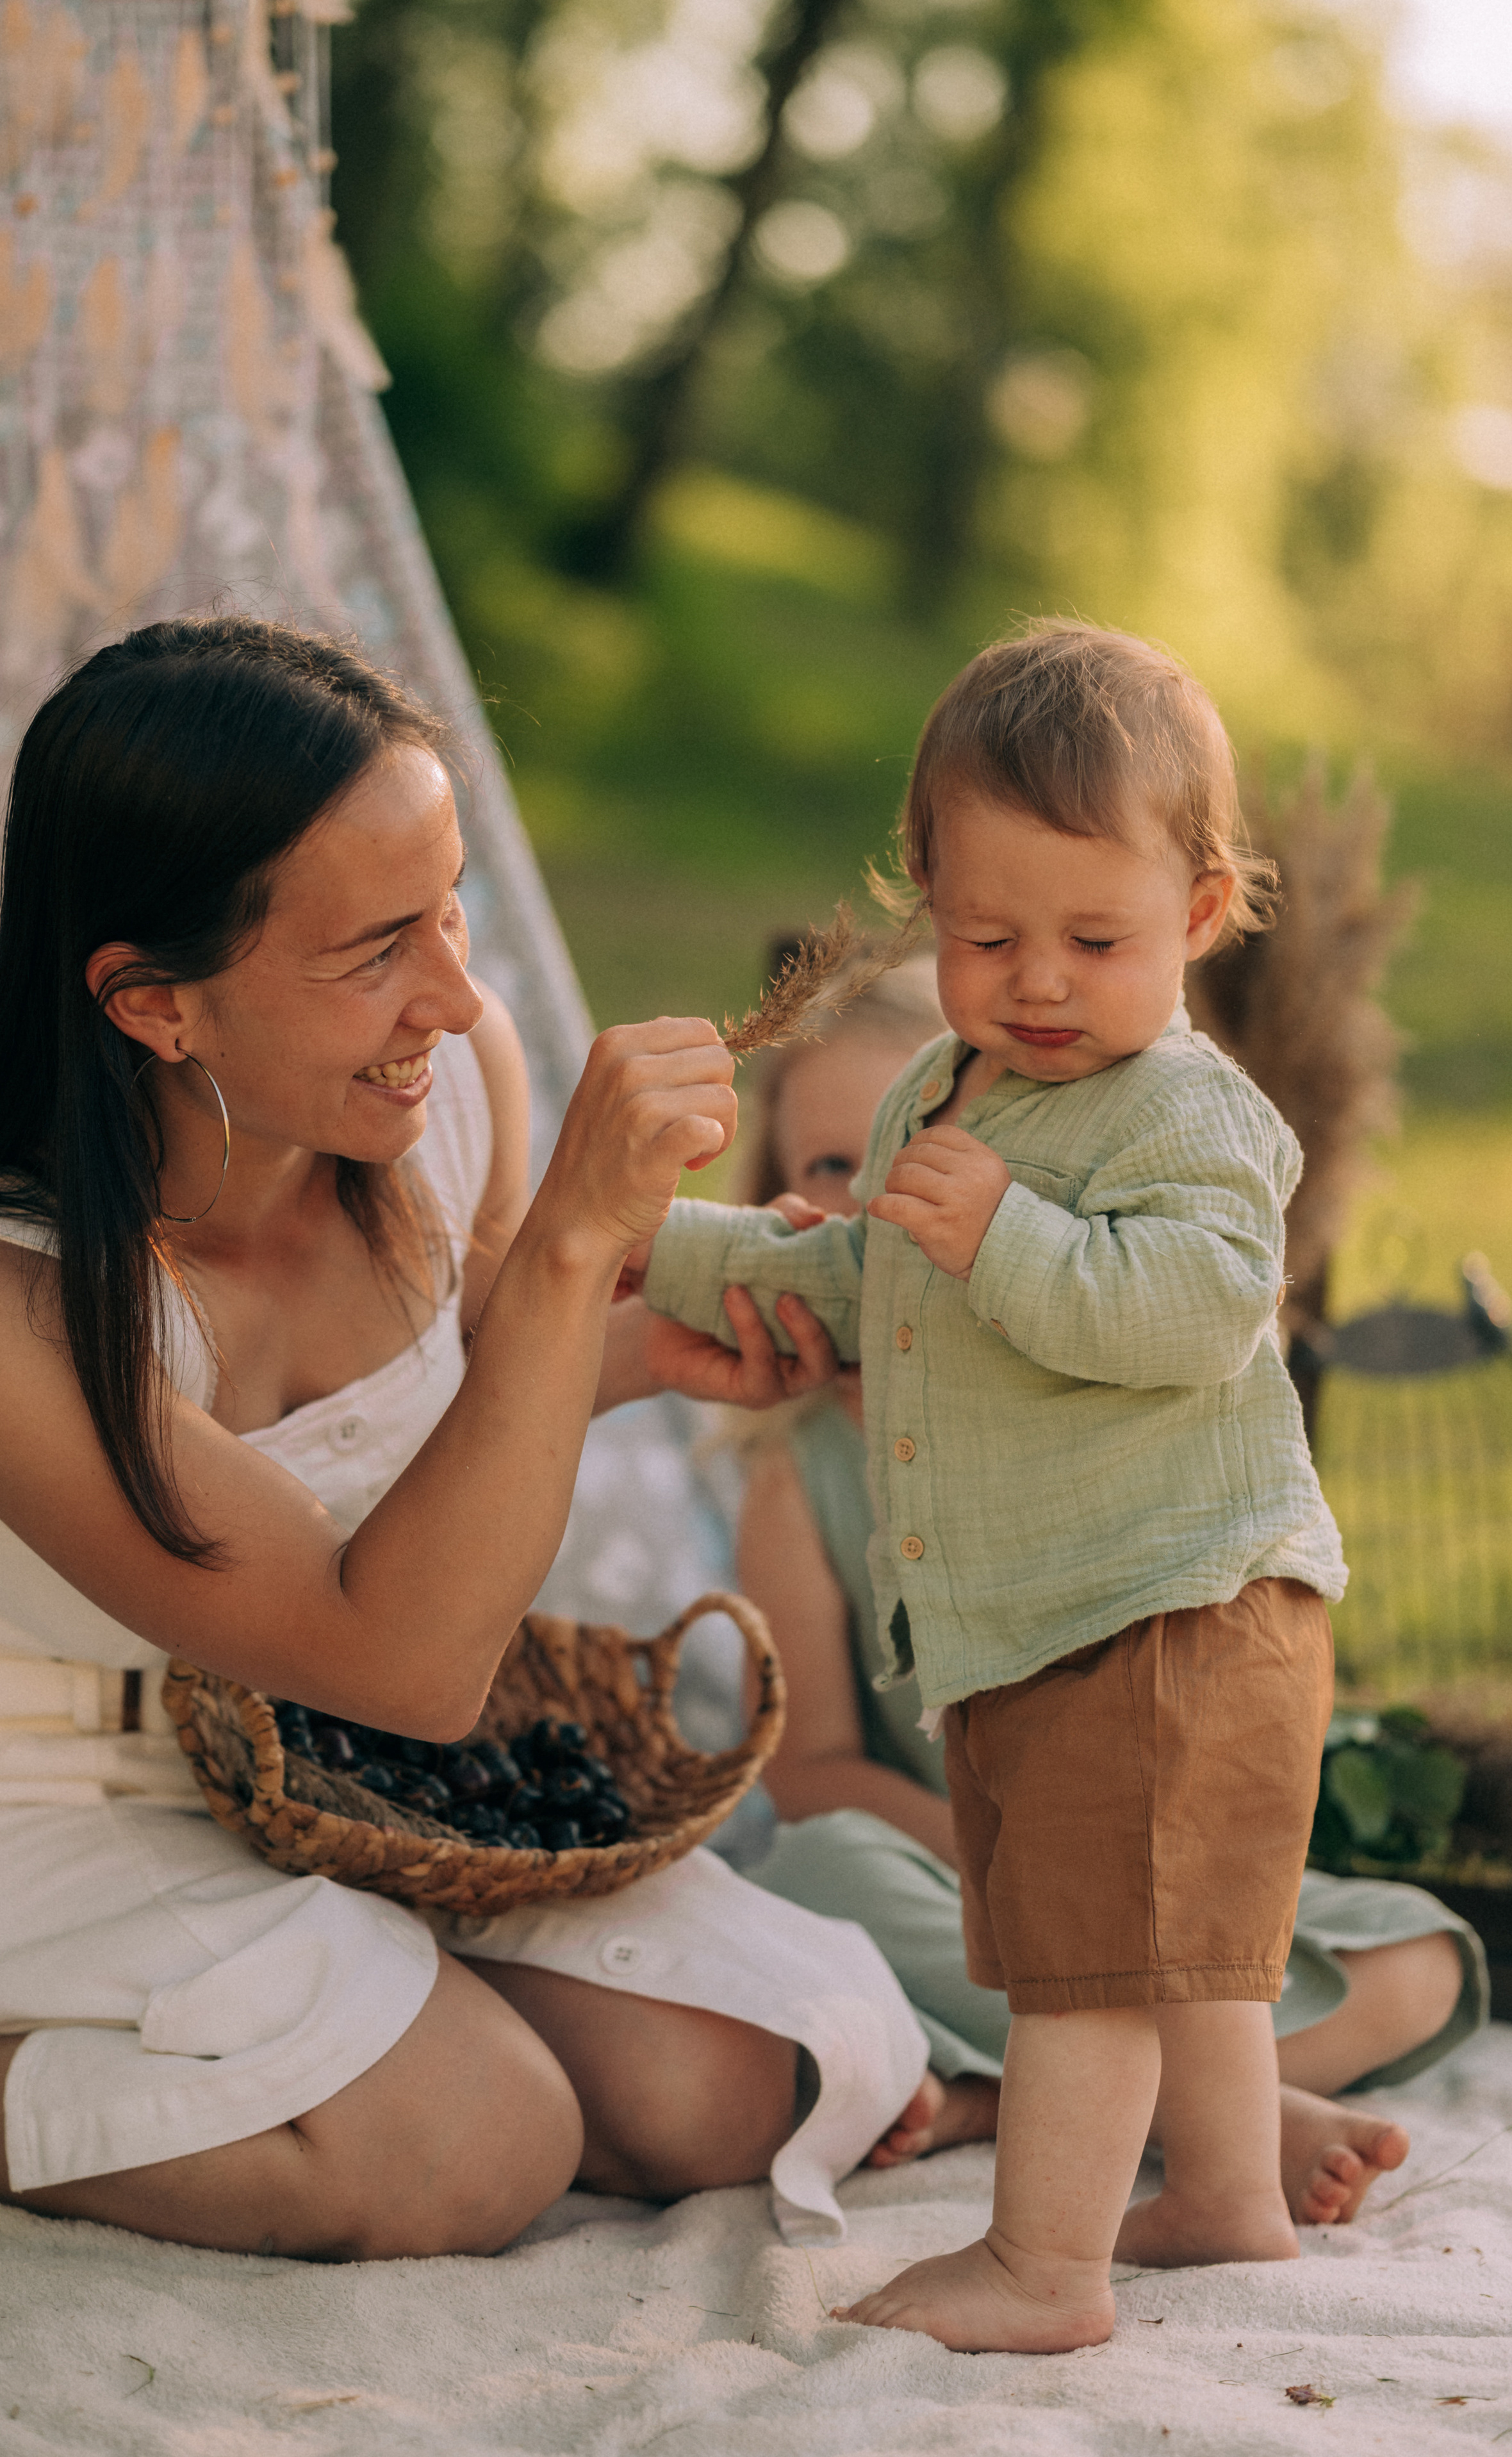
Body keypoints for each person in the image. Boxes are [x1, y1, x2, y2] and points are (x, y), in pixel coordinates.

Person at [0, 615, 931, 2261]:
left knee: (740, 2083)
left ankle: (346, 2005)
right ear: (154, 1006)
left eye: (448, 907)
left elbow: (453, 1400)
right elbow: (412, 1657)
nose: (451, 993)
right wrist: (580, 1246)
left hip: (313, 1770)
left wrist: (657, 1346)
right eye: (376, 951)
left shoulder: (432, 1088)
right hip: (11, 1804)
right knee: (468, 2145)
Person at [628, 620, 1375, 2353]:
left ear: (1196, 917)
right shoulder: (936, 1093)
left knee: (1087, 1970)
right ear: (928, 907)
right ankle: (1231, 2199)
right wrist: (657, 1255)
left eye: (1094, 939)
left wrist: (1012, 1235)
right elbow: (867, 1281)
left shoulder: (1186, 1115)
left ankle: (1046, 2267)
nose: (1038, 980)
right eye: (986, 936)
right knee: (1172, 1948)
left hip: (1177, 1602)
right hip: (1077, 1615)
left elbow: (1194, 1314)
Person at [723, 956, 1484, 2230]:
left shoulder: (1096, 1424)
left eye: (913, 1155)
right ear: (778, 1202)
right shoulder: (796, 1477)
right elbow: (804, 1771)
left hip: (1154, 1877)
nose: (880, 1204)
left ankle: (1003, 2103)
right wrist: (1025, 1876)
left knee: (1407, 1952)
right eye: (827, 1172)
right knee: (812, 1870)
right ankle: (1228, 2121)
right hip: (947, 1877)